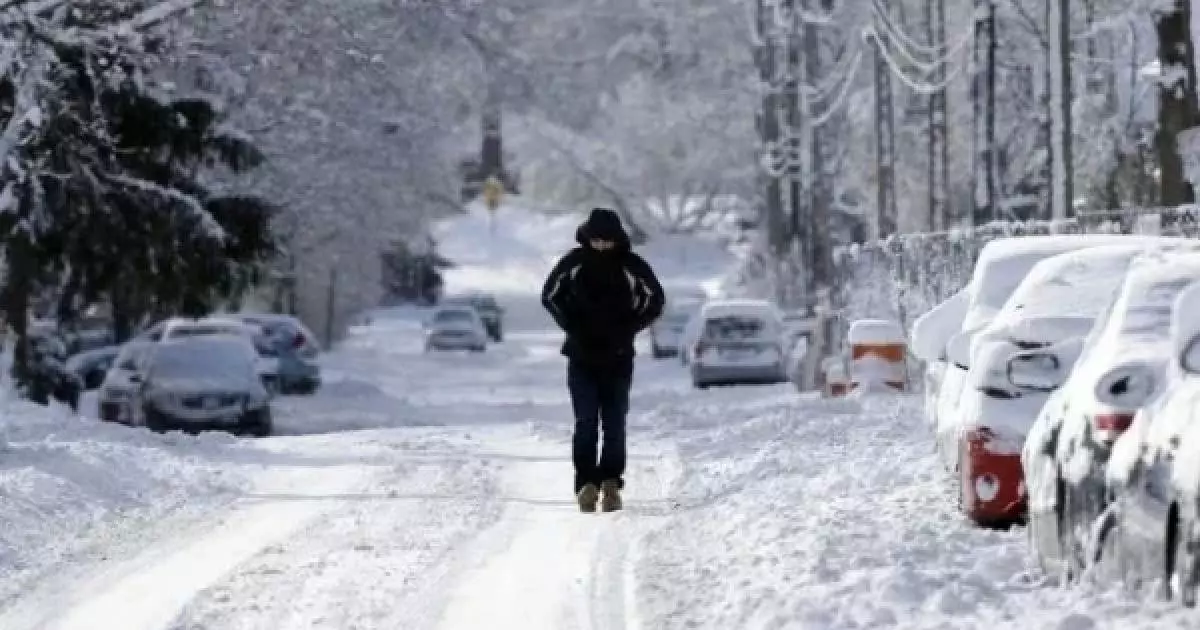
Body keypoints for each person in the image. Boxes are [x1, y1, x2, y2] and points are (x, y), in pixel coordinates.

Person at [541, 207, 665, 513]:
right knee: (585, 420)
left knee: (614, 421)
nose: (601, 246)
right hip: (581, 356)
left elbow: (655, 299)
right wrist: (571, 326)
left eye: (607, 241)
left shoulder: (630, 265)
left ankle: (611, 481)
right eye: (596, 240)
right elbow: (549, 296)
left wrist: (630, 328)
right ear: (587, 237)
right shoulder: (574, 262)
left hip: (618, 357)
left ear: (617, 239)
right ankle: (586, 482)